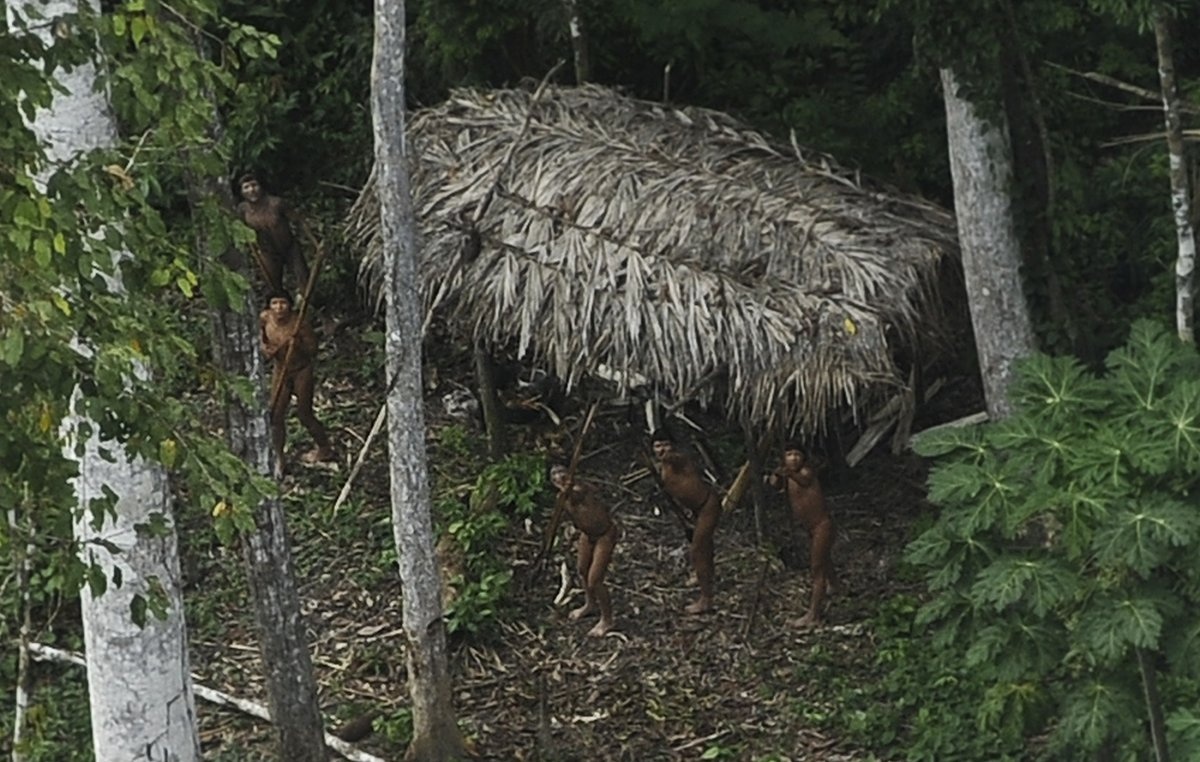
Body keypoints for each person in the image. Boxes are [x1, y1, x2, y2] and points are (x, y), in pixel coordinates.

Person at [259, 291, 336, 477]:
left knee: (304, 414)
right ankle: (279, 458)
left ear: (290, 306)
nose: (279, 308)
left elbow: (313, 350)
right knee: (276, 415)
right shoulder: (265, 318)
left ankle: (324, 448)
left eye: (283, 303)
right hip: (280, 370)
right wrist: (266, 348)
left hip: (301, 370)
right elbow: (260, 337)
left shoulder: (298, 323)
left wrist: (298, 343)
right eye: (275, 303)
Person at [766, 442, 836, 628]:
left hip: (822, 525)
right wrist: (776, 476)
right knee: (824, 558)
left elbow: (804, 480)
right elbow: (776, 485)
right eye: (789, 454)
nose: (794, 458)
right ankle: (835, 585)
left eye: (797, 454)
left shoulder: (805, 472)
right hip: (810, 528)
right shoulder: (788, 475)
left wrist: (787, 473)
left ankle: (814, 615)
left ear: (804, 458)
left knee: (817, 568)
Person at [651, 429, 721, 614]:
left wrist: (668, 455)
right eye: (658, 446)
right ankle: (705, 575)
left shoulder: (679, 460)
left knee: (697, 550)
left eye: (666, 445)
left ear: (673, 446)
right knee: (705, 546)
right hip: (695, 510)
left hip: (708, 506)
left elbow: (674, 458)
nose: (662, 449)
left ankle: (706, 599)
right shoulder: (661, 468)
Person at [550, 465, 619, 636]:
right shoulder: (561, 498)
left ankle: (607, 620)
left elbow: (577, 494)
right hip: (587, 535)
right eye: (557, 480)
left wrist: (569, 489)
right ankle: (590, 604)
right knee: (582, 569)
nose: (562, 482)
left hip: (604, 535)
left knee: (594, 579)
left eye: (564, 477)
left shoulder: (581, 488)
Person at [238, 173, 311, 296]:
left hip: (289, 247)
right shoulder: (243, 209)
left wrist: (314, 242)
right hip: (267, 252)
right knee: (272, 285)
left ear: (261, 186)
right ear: (241, 192)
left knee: (303, 279)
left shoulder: (276, 203)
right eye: (246, 187)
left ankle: (309, 302)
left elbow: (298, 221)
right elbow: (241, 230)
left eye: (254, 185)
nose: (251, 190)